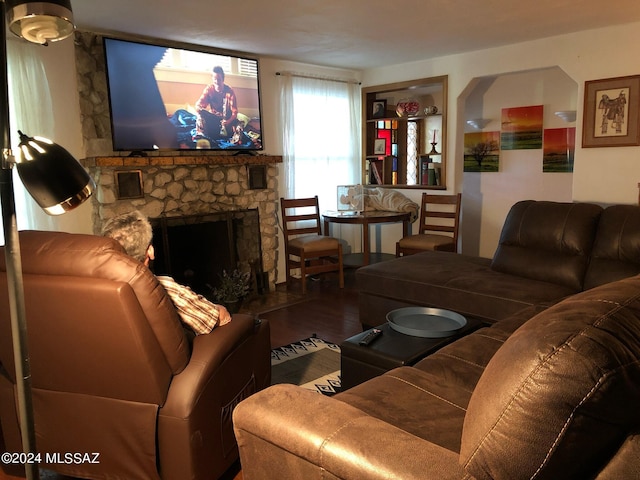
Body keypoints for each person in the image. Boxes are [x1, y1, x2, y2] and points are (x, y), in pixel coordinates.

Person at [101, 210, 231, 335]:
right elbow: (212, 319)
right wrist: (221, 309)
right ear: (150, 252)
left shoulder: (95, 289)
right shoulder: (161, 288)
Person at [195, 65, 239, 141]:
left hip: (227, 120)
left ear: (223, 79)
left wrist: (228, 121)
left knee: (239, 126)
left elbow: (234, 112)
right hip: (213, 119)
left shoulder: (229, 91)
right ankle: (202, 137)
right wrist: (199, 110)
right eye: (215, 79)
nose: (216, 82)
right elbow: (199, 104)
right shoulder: (209, 89)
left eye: (219, 79)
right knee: (200, 118)